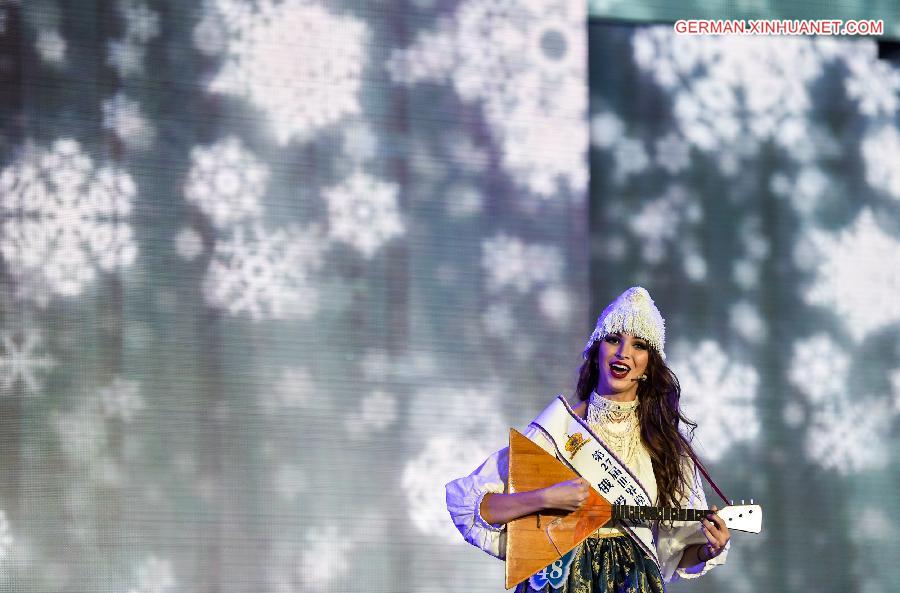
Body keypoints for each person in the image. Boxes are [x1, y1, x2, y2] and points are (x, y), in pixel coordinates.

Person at [446, 287, 730, 592]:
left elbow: (673, 551)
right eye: (613, 339)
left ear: (650, 365)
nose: (623, 353)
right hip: (559, 579)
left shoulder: (664, 446)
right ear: (596, 350)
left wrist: (707, 550)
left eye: (638, 345)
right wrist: (546, 499)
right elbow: (478, 507)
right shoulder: (558, 429)